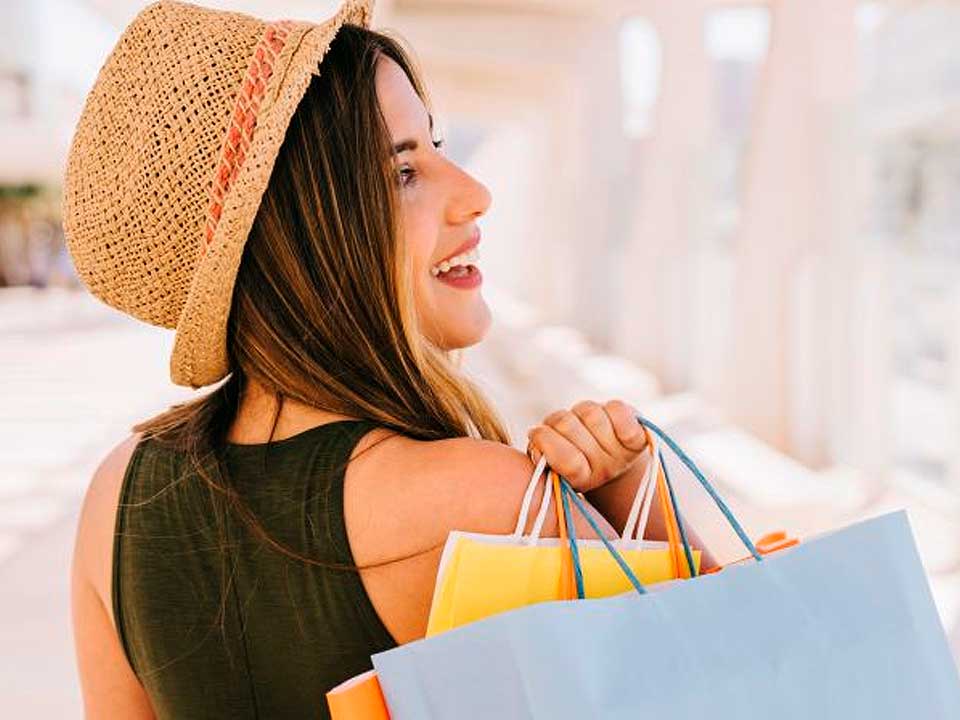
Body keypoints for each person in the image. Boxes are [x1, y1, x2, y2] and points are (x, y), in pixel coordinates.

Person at [64, 2, 707, 717]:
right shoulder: (491, 507)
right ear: (307, 234)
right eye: (404, 172)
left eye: (435, 146)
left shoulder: (119, 498)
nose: (473, 192)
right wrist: (636, 504)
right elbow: (739, 682)